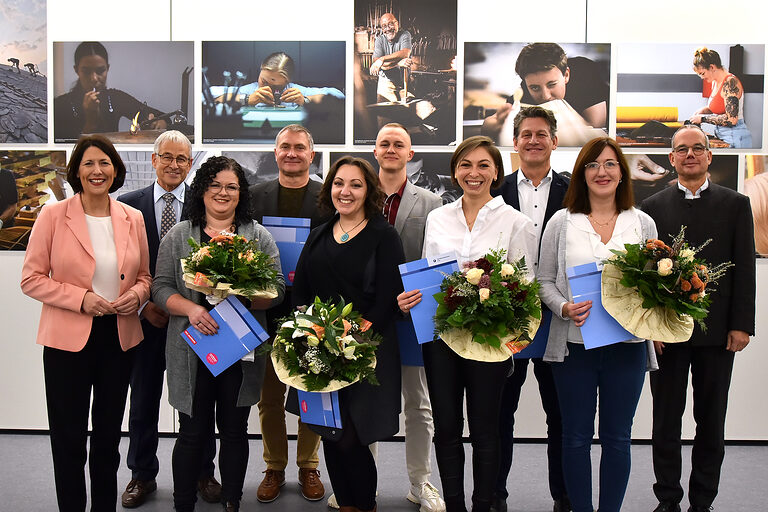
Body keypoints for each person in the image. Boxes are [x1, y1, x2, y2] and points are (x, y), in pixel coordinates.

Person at [398, 136, 537, 512]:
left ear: (496, 171)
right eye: (465, 165)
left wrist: (510, 340)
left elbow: (525, 289)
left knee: (485, 430)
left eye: (482, 165)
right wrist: (411, 299)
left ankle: (483, 504)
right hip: (441, 339)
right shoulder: (437, 217)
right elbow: (428, 277)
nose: (473, 173)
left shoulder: (516, 222)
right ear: (455, 170)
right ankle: (455, 505)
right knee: (445, 428)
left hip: (489, 340)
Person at [20, 135, 152, 511]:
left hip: (119, 337)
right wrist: (81, 299)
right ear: (77, 170)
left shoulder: (133, 217)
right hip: (66, 342)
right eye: (89, 163)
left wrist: (137, 296)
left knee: (108, 438)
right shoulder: (53, 215)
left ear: (116, 170)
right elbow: (31, 279)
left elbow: (144, 276)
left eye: (105, 163)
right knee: (69, 438)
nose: (98, 171)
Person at [152, 156, 285, 512]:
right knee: (192, 433)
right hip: (191, 350)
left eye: (231, 187)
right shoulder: (180, 236)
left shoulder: (257, 236)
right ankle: (183, 503)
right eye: (215, 185)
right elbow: (160, 289)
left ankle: (232, 500)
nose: (223, 193)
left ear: (241, 194)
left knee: (234, 431)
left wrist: (246, 293)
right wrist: (193, 309)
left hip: (239, 351)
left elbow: (277, 290)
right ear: (202, 191)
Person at [537, 137, 658, 512]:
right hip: (574, 348)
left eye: (609, 164)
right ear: (581, 174)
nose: (601, 172)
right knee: (574, 437)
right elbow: (543, 281)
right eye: (592, 165)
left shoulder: (642, 222)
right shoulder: (562, 221)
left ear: (622, 172)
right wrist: (563, 307)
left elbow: (656, 284)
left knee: (618, 438)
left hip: (628, 348)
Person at [641, 125, 755, 512]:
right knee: (665, 422)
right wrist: (650, 329)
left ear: (710, 156)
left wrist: (742, 324)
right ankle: (668, 499)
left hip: (719, 333)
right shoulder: (652, 207)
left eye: (698, 148)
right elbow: (643, 276)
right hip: (667, 334)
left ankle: (703, 501)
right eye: (681, 149)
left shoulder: (736, 203)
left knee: (711, 421)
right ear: (671, 159)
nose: (690, 155)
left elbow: (745, 269)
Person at [291, 156, 405, 512]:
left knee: (353, 436)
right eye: (339, 183)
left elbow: (388, 298)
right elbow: (301, 293)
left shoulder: (384, 235)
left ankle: (364, 505)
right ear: (330, 189)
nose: (346, 191)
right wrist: (311, 334)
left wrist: (349, 340)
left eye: (356, 184)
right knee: (330, 431)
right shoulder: (320, 233)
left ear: (368, 190)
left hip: (365, 352)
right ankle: (347, 506)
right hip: (320, 351)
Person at [117, 131, 221, 508]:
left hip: (194, 323)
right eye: (168, 157)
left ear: (190, 164)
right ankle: (142, 475)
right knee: (143, 400)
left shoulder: (206, 207)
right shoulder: (127, 206)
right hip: (145, 321)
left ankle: (202, 472)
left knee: (197, 403)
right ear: (154, 158)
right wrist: (145, 305)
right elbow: (121, 266)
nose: (175, 165)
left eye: (182, 159)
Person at [490, 107, 570, 512]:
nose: (533, 141)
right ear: (515, 142)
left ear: (554, 141)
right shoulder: (493, 189)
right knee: (501, 413)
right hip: (507, 318)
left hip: (560, 317)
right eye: (526, 135)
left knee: (561, 415)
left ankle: (564, 496)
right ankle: (495, 495)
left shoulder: (577, 191)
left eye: (542, 134)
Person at [249, 125, 330, 503]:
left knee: (311, 389)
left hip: (313, 308)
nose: (292, 153)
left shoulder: (327, 197)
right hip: (265, 309)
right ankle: (274, 465)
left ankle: (309, 465)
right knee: (269, 395)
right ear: (275, 152)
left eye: (300, 147)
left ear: (311, 154)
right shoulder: (254, 196)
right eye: (285, 147)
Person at [374, 123, 445, 512]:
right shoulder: (357, 196)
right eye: (384, 143)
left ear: (410, 151)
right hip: (369, 318)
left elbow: (434, 260)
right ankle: (362, 482)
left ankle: (420, 482)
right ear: (375, 151)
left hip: (414, 318)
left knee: (418, 404)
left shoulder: (430, 202)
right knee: (364, 398)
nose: (391, 149)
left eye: (398, 144)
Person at [482, 43, 608, 139]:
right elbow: (488, 125)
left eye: (552, 84)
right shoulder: (525, 90)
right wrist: (499, 121)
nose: (545, 96)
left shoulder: (586, 72)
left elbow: (595, 128)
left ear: (566, 75)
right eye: (535, 88)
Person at [53, 41, 165, 142]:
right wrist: (90, 123)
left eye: (100, 71)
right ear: (76, 70)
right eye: (86, 71)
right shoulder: (60, 105)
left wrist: (158, 123)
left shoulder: (115, 98)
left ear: (108, 68)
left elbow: (162, 116)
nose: (94, 78)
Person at [213, 52, 345, 108]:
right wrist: (246, 99)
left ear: (287, 82)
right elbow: (208, 96)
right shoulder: (250, 90)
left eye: (276, 86)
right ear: (260, 71)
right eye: (264, 81)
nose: (267, 89)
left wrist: (305, 100)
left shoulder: (294, 92)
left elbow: (340, 96)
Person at [689, 47, 753, 148]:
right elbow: (720, 106)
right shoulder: (714, 82)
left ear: (712, 67)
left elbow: (731, 119)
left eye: (702, 73)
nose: (702, 77)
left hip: (735, 136)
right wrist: (703, 110)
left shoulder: (730, 83)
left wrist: (702, 119)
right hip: (722, 133)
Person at [370, 13, 412, 103]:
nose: (388, 28)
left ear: (397, 23)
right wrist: (397, 63)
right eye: (384, 26)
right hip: (386, 84)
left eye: (390, 24)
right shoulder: (379, 40)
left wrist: (382, 59)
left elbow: (405, 53)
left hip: (404, 83)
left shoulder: (405, 35)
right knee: (385, 114)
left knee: (405, 113)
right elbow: (379, 64)